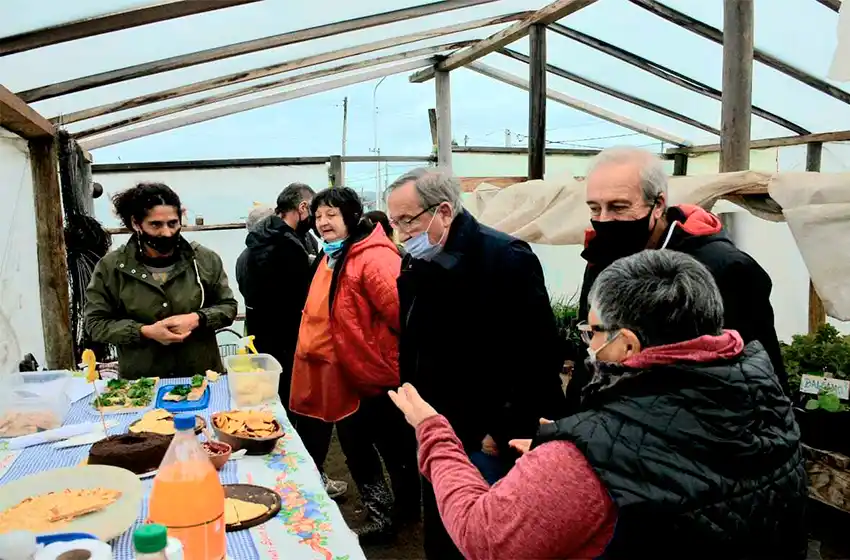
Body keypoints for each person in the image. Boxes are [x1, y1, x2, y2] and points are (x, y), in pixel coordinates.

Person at [390, 249, 807, 560]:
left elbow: (485, 538)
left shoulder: (585, 458)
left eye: (591, 332)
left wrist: (434, 432)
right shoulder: (760, 393)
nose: (588, 344)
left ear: (627, 343)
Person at [386, 168, 565, 559]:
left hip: (483, 434)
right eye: (393, 222)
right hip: (436, 424)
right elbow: (415, 341)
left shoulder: (505, 259)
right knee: (441, 525)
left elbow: (537, 354)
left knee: (483, 536)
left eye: (408, 221)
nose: (400, 234)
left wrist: (500, 429)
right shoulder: (419, 261)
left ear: (444, 211)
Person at [567, 146, 788, 414]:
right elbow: (591, 348)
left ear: (658, 205)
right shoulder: (602, 257)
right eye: (595, 208)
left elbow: (760, 377)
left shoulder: (724, 269)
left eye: (618, 207)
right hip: (608, 425)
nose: (604, 220)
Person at [290, 187, 420, 541]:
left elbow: (402, 314)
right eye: (318, 216)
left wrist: (377, 354)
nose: (323, 222)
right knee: (356, 444)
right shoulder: (331, 255)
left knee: (391, 445)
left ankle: (403, 512)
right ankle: (382, 511)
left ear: (351, 216)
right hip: (342, 372)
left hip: (375, 372)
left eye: (331, 214)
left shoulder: (373, 256)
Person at [85, 182, 237, 379]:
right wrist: (145, 331)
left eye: (172, 223)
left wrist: (197, 319)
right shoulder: (111, 268)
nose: (166, 233)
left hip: (201, 377)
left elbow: (228, 307)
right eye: (156, 225)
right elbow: (95, 323)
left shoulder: (204, 260)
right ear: (136, 223)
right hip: (142, 383)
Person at [235, 184, 315, 406]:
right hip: (288, 339)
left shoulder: (258, 241)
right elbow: (301, 296)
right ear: (302, 207)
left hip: (263, 337)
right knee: (288, 400)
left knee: (272, 397)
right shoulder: (286, 245)